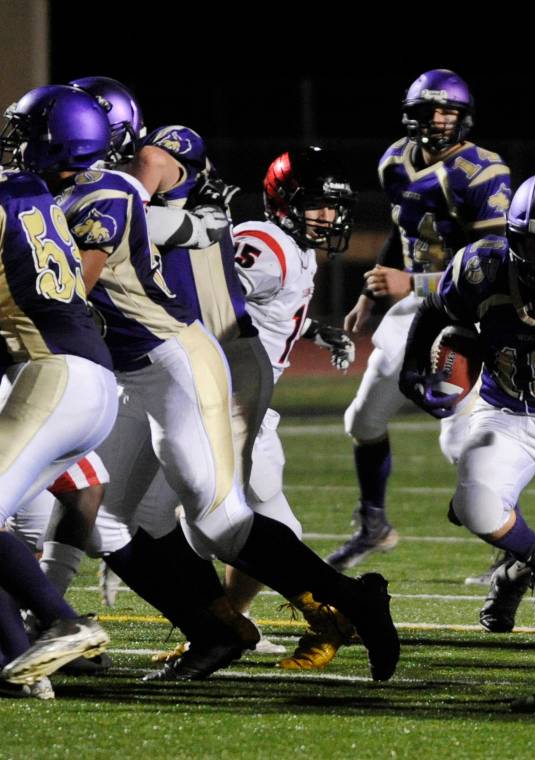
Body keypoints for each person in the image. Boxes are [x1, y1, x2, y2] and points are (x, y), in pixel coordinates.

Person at [3, 84, 399, 683]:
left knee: (217, 520)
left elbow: (70, 288)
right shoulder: (59, 192)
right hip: (127, 370)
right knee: (105, 520)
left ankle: (354, 600)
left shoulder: (106, 189)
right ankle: (210, 630)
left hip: (173, 359)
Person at [399, 171, 535, 634]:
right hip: (506, 412)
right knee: (475, 505)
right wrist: (412, 366)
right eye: (533, 241)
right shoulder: (483, 265)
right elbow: (435, 309)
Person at [333, 69, 511, 570]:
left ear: (464, 117)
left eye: (449, 111)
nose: (439, 120)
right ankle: (373, 525)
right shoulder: (394, 160)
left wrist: (409, 284)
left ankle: (513, 547)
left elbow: (492, 269)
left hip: (464, 321)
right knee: (362, 420)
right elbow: (402, 232)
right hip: (414, 312)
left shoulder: (483, 172)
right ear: (411, 115)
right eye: (430, 110)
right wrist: (373, 291)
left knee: (460, 443)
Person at [230, 147, 359, 669]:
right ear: (283, 201)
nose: (328, 217)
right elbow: (201, 298)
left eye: (333, 207)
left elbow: (271, 312)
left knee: (267, 529)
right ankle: (326, 616)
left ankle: (229, 622)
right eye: (317, 205)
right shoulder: (264, 244)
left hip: (246, 408)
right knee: (260, 529)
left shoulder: (296, 248)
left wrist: (314, 329)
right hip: (221, 404)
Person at [0, 158, 117, 691]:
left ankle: (62, 620)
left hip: (48, 373)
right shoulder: (33, 197)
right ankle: (20, 667)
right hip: (88, 380)